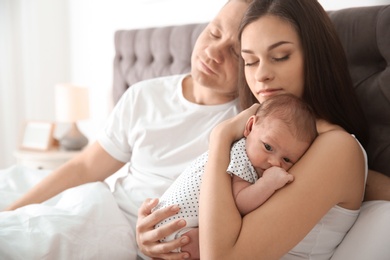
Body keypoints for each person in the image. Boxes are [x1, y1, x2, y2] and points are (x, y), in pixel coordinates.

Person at [136, 0, 390, 259]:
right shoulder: (258, 136)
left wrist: (220, 139)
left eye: (280, 57)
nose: (261, 75)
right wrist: (157, 238)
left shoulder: (337, 148)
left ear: (316, 56)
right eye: (249, 60)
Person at [1, 0, 252, 259]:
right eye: (214, 32)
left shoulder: (247, 130)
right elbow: (85, 167)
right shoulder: (145, 95)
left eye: (235, 52)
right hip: (102, 207)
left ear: (253, 63)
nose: (214, 52)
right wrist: (13, 210)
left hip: (127, 237)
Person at [153, 93, 317, 245]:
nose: (274, 162)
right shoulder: (240, 156)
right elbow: (241, 202)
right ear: (250, 126)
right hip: (177, 226)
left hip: (166, 223)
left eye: (287, 159)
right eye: (268, 147)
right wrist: (268, 183)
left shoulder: (249, 154)